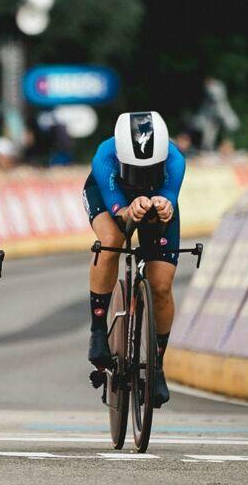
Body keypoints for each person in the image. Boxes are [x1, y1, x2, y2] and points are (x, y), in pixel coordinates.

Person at [82, 111, 185, 408]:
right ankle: (98, 330)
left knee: (161, 284)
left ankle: (157, 363)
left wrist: (164, 207)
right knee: (112, 241)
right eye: (135, 168)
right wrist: (128, 210)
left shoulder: (176, 160)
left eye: (150, 169)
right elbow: (120, 213)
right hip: (108, 195)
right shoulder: (105, 155)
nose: (142, 175)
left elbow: (169, 201)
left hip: (155, 200)